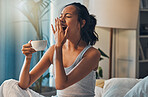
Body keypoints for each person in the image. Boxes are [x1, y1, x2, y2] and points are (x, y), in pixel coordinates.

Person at [0, 2, 100, 97]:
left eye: (68, 16)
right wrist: (28, 58)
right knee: (8, 85)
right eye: (61, 16)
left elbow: (61, 84)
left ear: (82, 23)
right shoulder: (54, 50)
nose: (61, 20)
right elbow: (24, 84)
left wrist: (58, 46)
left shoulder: (92, 54)